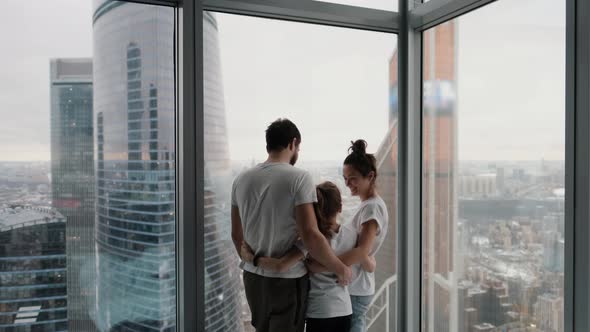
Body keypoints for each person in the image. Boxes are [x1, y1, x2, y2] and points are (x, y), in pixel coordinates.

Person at [231, 118, 352, 332]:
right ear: (292, 143)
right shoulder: (299, 178)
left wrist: (253, 260)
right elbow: (310, 235)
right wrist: (340, 268)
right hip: (286, 281)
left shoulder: (241, 180)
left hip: (252, 278)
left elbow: (236, 234)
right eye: (299, 148)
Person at [241, 182, 376, 332]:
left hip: (319, 312)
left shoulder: (311, 241)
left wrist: (251, 258)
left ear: (313, 211)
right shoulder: (352, 236)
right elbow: (368, 261)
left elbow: (280, 266)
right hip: (344, 309)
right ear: (340, 207)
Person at [307, 139, 389, 332]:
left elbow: (362, 250)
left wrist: (324, 265)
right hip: (356, 284)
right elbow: (365, 254)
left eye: (352, 178)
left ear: (369, 176)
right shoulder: (367, 205)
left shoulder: (372, 208)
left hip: (357, 288)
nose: (347, 183)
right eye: (345, 178)